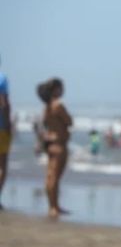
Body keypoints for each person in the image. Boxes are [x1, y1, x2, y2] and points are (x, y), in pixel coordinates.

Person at [37, 78, 72, 218]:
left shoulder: (46, 107)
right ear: (56, 89)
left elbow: (45, 125)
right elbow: (69, 121)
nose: (63, 90)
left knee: (51, 175)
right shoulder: (58, 105)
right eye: (61, 87)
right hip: (59, 144)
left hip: (50, 143)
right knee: (55, 177)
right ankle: (53, 207)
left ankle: (54, 205)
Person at [0, 72, 11, 209]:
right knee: (2, 166)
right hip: (1, 128)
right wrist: (8, 124)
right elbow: (4, 103)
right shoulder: (2, 79)